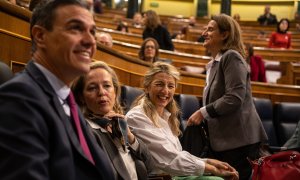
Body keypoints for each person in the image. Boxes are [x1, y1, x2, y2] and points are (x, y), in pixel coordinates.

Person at [0, 0, 114, 179]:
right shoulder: (19, 98)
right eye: (76, 28)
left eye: (92, 32)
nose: (90, 41)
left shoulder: (66, 98)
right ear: (40, 36)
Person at [187, 14, 268, 180]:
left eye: (210, 29)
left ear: (224, 34)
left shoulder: (231, 57)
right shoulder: (215, 63)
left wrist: (203, 112)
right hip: (225, 142)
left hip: (239, 143)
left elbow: (234, 97)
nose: (204, 33)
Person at [126, 62, 239, 179]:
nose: (165, 91)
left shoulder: (167, 116)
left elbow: (177, 155)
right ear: (147, 87)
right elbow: (169, 160)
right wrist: (212, 169)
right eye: (159, 84)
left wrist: (208, 161)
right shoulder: (137, 117)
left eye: (170, 86)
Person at [71, 61, 154, 180]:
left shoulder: (118, 123)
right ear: (81, 97)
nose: (101, 92)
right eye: (92, 88)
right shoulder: (85, 131)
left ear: (115, 91)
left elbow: (150, 166)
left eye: (107, 86)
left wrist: (129, 137)